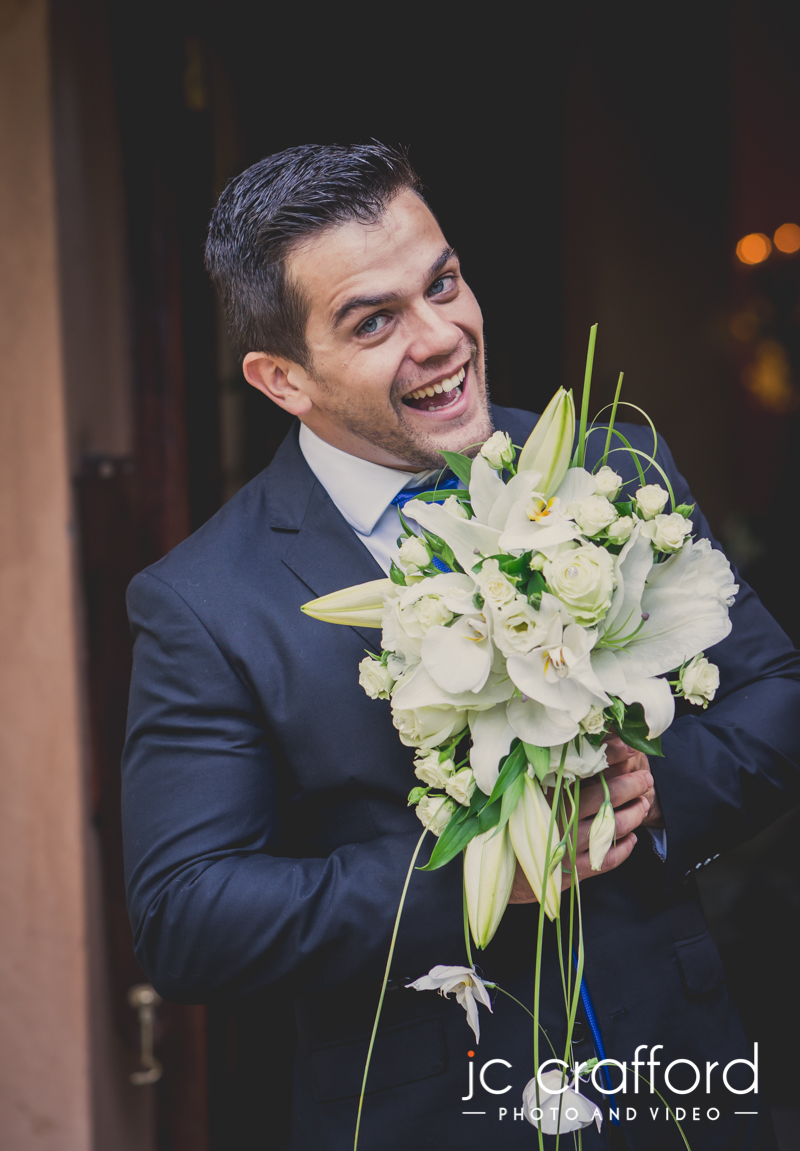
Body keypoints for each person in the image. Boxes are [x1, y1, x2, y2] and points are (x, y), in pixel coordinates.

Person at [122, 143, 799, 1150]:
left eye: (441, 284)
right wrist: (478, 872)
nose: (441, 337)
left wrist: (657, 797)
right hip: (437, 1114)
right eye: (373, 321)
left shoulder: (612, 468)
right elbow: (188, 918)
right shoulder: (207, 600)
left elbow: (774, 693)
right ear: (282, 378)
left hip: (684, 1076)